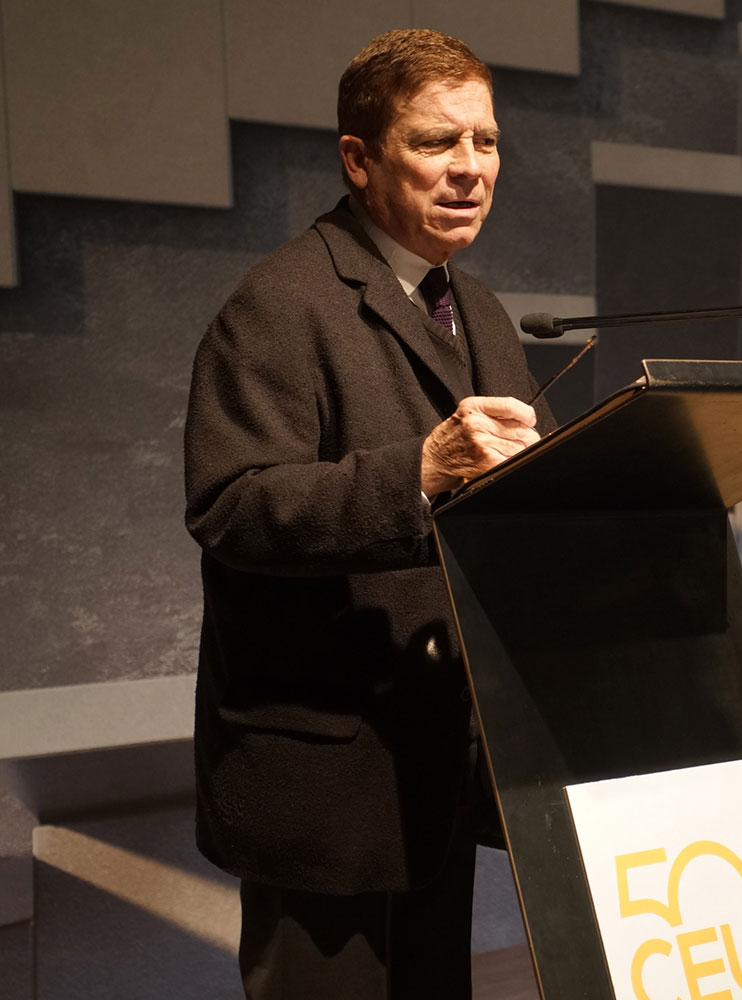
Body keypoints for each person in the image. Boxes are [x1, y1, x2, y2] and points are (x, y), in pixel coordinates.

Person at [183, 29, 555, 1000]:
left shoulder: (478, 310)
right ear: (359, 158)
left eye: (487, 141)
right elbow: (233, 507)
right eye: (438, 143)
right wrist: (419, 472)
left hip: (437, 753)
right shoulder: (279, 304)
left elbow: (532, 490)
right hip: (326, 771)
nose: (471, 168)